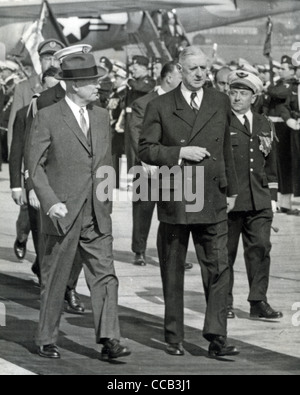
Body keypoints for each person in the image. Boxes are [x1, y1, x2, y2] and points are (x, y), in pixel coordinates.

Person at [28, 53, 130, 360]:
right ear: (73, 85)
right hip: (62, 213)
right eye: (92, 81)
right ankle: (46, 338)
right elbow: (34, 166)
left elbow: (105, 162)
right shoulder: (47, 116)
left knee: (105, 276)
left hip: (96, 214)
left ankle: (110, 339)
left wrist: (107, 199)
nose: (99, 85)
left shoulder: (100, 116)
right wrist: (50, 201)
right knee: (56, 278)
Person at [139, 46, 239, 358]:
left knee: (220, 270)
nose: (199, 74)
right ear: (180, 70)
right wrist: (179, 153)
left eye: (204, 69)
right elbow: (145, 149)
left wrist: (232, 190)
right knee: (172, 273)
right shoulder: (160, 105)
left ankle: (216, 335)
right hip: (176, 200)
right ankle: (174, 337)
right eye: (193, 68)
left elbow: (228, 150)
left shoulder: (219, 101)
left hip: (212, 198)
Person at [24, 45, 94, 314]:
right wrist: (32, 185)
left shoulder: (92, 102)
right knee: (53, 253)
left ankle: (71, 289)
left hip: (85, 192)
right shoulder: (43, 101)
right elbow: (33, 150)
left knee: (78, 251)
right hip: (55, 191)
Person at [227, 70, 283, 320]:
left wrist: (272, 198)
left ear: (254, 97)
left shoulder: (264, 123)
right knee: (224, 254)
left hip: (259, 200)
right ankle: (223, 303)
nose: (237, 97)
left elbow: (271, 164)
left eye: (243, 93)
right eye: (233, 92)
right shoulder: (220, 121)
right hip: (229, 200)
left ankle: (258, 301)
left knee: (260, 249)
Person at [9, 39, 65, 262]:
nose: (51, 61)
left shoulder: (64, 86)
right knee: (27, 211)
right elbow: (17, 130)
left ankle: (43, 264)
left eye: (55, 58)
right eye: (47, 58)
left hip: (54, 163)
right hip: (30, 164)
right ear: (39, 60)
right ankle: (22, 237)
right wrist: (19, 173)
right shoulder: (25, 87)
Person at [130, 61, 182, 267]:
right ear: (169, 77)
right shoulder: (144, 102)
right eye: (180, 75)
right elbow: (135, 133)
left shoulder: (181, 101)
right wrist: (145, 159)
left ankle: (172, 254)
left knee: (173, 211)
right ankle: (139, 250)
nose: (183, 80)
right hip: (147, 166)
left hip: (172, 164)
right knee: (143, 209)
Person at [267, 55, 300, 215]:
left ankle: (289, 202)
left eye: (283, 68)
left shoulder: (291, 85)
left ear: (293, 71)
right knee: (280, 165)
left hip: (287, 128)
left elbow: (277, 93)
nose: (280, 71)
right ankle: (283, 202)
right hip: (278, 126)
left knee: (289, 165)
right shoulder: (282, 84)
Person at [125, 55, 156, 171]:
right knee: (129, 152)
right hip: (130, 120)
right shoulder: (134, 82)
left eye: (136, 68)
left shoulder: (149, 81)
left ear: (144, 68)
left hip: (140, 121)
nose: (133, 71)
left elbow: (140, 88)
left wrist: (129, 81)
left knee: (137, 151)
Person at [107, 61, 127, 188]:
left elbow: (122, 111)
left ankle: (115, 181)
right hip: (111, 126)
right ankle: (113, 181)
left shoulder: (124, 93)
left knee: (115, 154)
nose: (114, 80)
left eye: (117, 77)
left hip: (118, 128)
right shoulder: (115, 93)